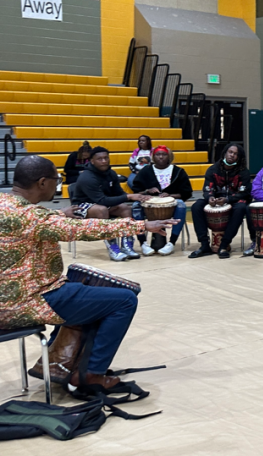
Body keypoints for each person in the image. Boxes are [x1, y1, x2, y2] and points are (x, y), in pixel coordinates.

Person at [0, 155, 177, 388]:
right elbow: (81, 229)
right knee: (124, 300)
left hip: (7, 299)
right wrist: (141, 225)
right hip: (29, 301)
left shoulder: (5, 204)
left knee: (78, 281)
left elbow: (29, 223)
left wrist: (58, 215)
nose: (58, 184)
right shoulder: (32, 217)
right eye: (56, 179)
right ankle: (91, 374)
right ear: (42, 182)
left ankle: (56, 362)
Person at [72, 146, 150, 261]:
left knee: (125, 209)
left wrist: (139, 196)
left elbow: (119, 194)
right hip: (80, 206)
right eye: (100, 159)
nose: (104, 161)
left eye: (106, 158)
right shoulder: (87, 177)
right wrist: (129, 196)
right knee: (102, 210)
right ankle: (113, 247)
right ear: (92, 161)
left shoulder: (111, 174)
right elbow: (102, 200)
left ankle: (126, 245)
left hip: (103, 203)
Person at [189, 143, 254, 259]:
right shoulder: (213, 169)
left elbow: (244, 192)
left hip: (235, 200)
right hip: (216, 200)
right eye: (230, 152)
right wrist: (210, 197)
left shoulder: (243, 172)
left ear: (239, 157)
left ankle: (224, 245)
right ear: (225, 153)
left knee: (241, 208)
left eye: (235, 154)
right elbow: (207, 188)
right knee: (196, 206)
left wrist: (228, 199)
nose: (232, 155)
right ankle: (204, 245)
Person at [131, 145, 193, 256]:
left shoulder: (178, 171)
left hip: (172, 205)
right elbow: (136, 190)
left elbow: (186, 193)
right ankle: (143, 243)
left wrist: (171, 195)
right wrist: (147, 191)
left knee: (181, 205)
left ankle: (172, 242)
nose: (160, 157)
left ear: (169, 156)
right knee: (135, 205)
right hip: (149, 204)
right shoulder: (146, 171)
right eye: (157, 154)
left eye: (164, 154)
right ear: (153, 157)